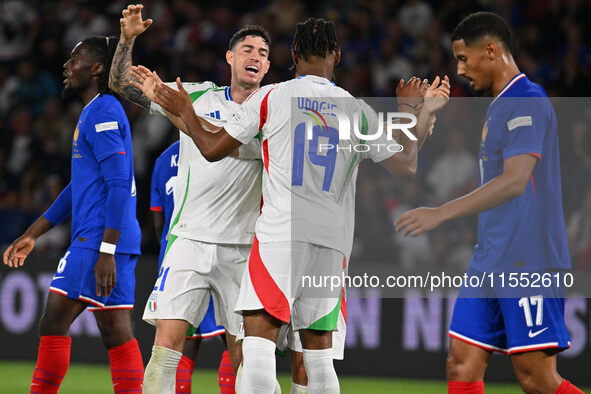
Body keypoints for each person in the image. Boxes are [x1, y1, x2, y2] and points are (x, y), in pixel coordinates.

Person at [151, 17, 449, 393]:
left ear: (292, 55)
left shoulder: (271, 96)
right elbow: (406, 164)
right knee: (318, 359)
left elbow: (211, 149)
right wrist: (413, 111)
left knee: (257, 349)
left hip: (279, 238)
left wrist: (187, 112)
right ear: (337, 56)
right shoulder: (355, 110)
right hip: (332, 245)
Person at [395, 12, 583, 394]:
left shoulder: (528, 99)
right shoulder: (498, 106)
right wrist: (421, 114)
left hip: (529, 259)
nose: (460, 69)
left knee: (536, 378)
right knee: (460, 366)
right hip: (490, 258)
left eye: (464, 59)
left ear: (491, 50)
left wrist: (441, 213)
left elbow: (514, 182)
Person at [108, 4, 270, 393]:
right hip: (190, 240)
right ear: (230, 58)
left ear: (267, 68)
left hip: (243, 247)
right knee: (165, 348)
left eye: (263, 53)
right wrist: (127, 41)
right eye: (248, 49)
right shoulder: (195, 95)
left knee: (244, 353)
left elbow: (219, 144)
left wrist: (185, 116)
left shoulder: (272, 110)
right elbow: (121, 85)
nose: (256, 57)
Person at [3, 36, 143, 394]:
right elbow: (79, 187)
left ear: (96, 68)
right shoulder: (98, 110)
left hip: (97, 239)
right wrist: (34, 232)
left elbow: (117, 183)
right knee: (116, 332)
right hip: (117, 238)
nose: (67, 65)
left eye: (74, 59)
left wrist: (105, 251)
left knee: (53, 323)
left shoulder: (101, 112)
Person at [150, 140, 233, 394]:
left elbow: (157, 220)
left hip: (177, 255)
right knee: (236, 343)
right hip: (223, 251)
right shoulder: (222, 144)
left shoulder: (164, 158)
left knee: (177, 345)